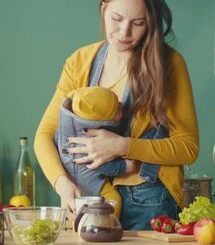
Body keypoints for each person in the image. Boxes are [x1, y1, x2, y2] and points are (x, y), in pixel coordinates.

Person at [34, 0, 199, 230]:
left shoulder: (169, 65)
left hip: (148, 201)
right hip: (89, 198)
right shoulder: (79, 61)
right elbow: (44, 135)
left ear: (151, 23)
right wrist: (63, 185)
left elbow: (188, 147)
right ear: (103, 9)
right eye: (116, 18)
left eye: (138, 23)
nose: (124, 32)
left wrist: (122, 146)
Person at [56, 86, 164, 218]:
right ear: (98, 122)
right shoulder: (85, 142)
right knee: (113, 201)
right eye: (116, 109)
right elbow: (102, 165)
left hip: (76, 184)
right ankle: (108, 224)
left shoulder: (69, 123)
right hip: (91, 186)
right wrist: (124, 166)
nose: (121, 105)